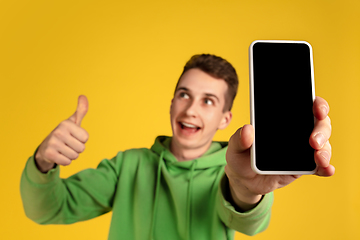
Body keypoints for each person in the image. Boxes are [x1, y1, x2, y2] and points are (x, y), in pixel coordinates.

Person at [20, 54, 334, 240]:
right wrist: (42, 163)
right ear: (171, 103)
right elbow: (47, 209)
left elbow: (249, 222)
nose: (190, 111)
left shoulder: (231, 171)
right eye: (184, 95)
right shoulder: (127, 167)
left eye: (208, 101)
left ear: (225, 118)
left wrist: (246, 187)